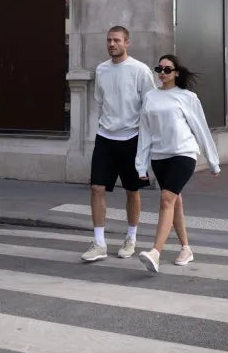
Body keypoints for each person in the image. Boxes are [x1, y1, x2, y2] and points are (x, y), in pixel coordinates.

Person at [135, 53, 220, 273]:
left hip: (184, 153)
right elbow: (144, 132)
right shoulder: (150, 97)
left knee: (166, 199)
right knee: (175, 202)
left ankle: (155, 252)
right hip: (159, 157)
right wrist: (140, 165)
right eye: (159, 69)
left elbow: (200, 127)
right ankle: (186, 248)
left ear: (176, 73)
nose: (162, 73)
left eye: (167, 69)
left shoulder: (187, 96)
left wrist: (213, 161)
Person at [81, 26, 155, 262]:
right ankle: (99, 243)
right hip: (105, 137)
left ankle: (131, 238)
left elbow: (150, 104)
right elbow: (101, 102)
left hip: (132, 138)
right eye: (109, 40)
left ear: (127, 43)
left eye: (117, 40)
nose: (112, 44)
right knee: (96, 188)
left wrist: (148, 140)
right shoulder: (101, 70)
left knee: (132, 190)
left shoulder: (140, 70)